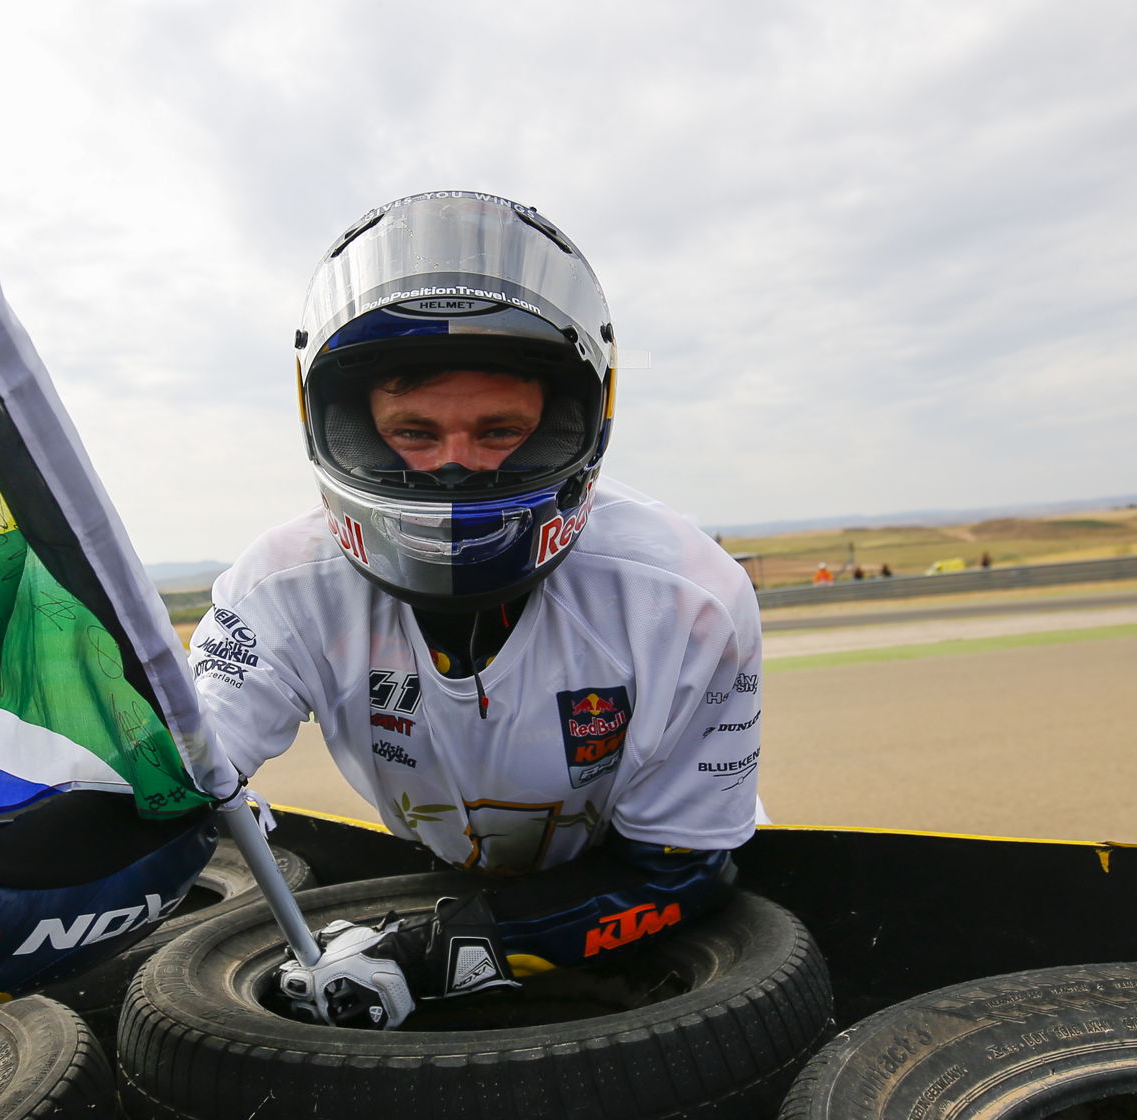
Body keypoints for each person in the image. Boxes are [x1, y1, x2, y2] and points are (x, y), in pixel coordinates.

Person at [189, 192, 762, 1026]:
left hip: (634, 869)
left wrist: (427, 957)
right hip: (451, 870)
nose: (454, 470)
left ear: (570, 421)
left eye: (498, 431)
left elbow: (682, 870)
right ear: (344, 423)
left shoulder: (685, 596)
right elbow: (177, 777)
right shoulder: (279, 587)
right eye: (415, 433)